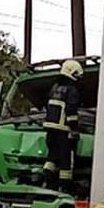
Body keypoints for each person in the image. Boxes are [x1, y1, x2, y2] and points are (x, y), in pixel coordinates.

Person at [42, 59, 83, 193]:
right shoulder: (71, 90)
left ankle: (47, 182)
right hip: (64, 131)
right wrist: (74, 129)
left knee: (52, 157)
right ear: (71, 72)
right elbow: (71, 112)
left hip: (50, 129)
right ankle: (64, 187)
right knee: (66, 160)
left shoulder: (54, 88)